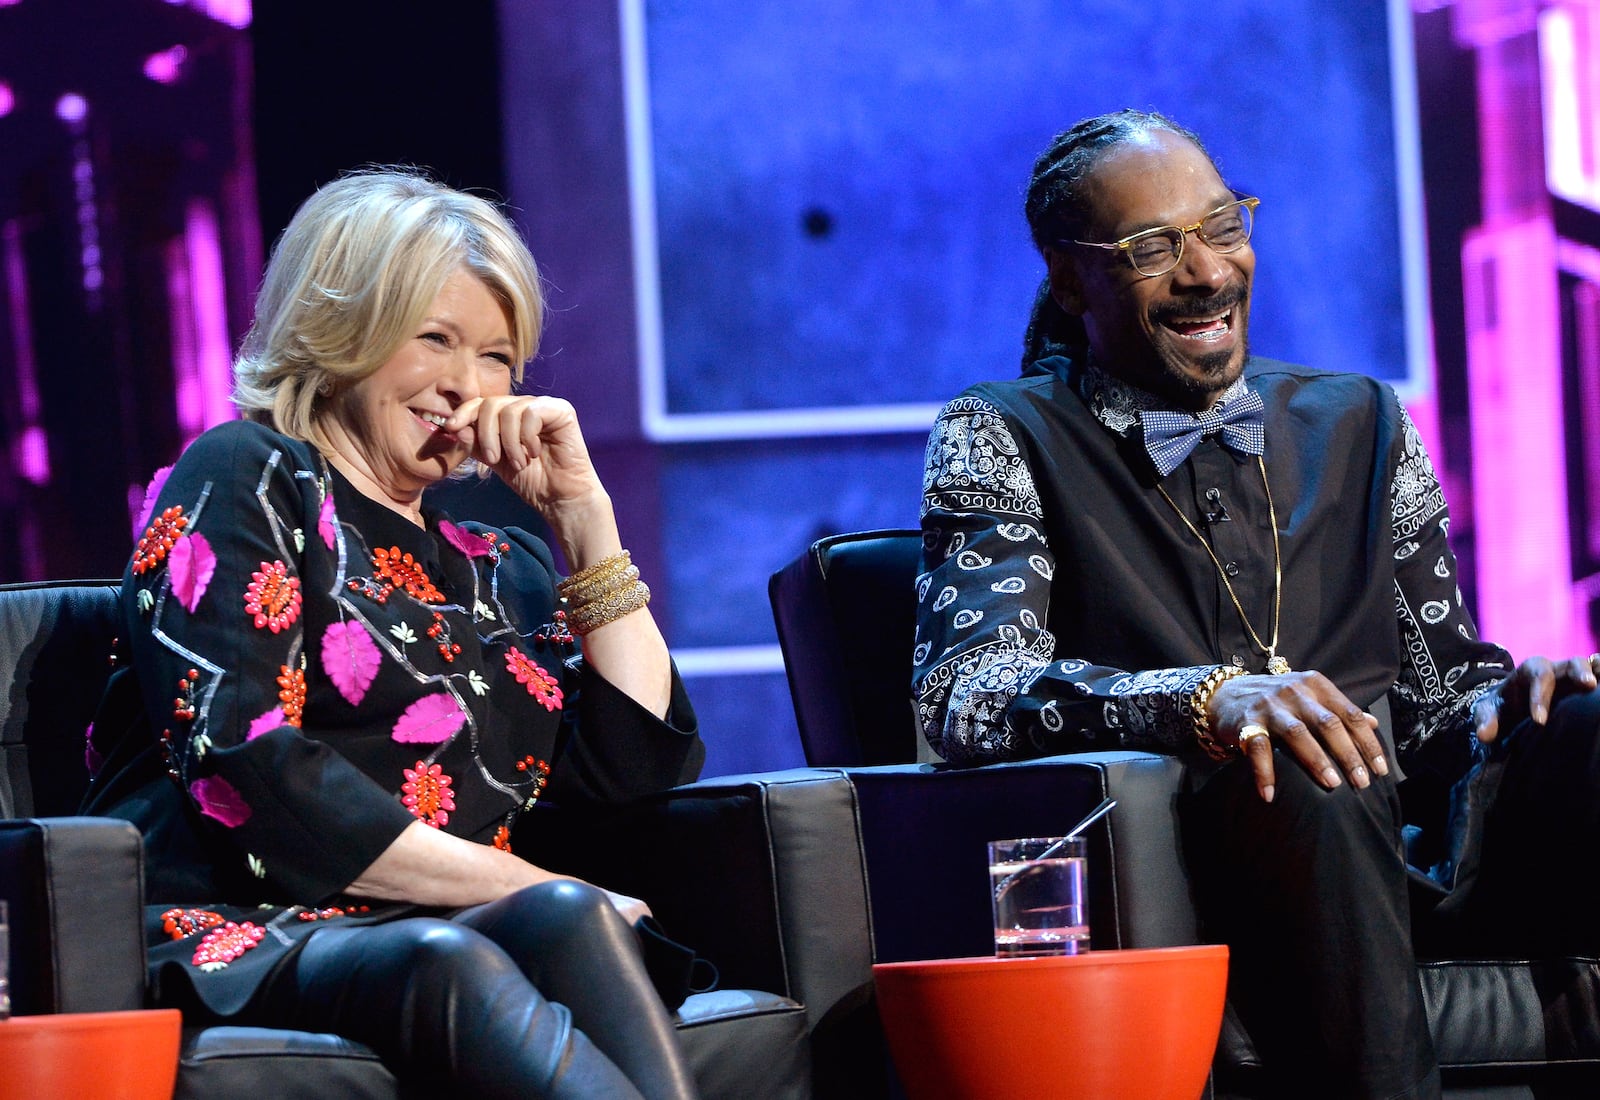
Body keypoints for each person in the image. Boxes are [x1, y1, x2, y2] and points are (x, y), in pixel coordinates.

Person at [912, 109, 1600, 1098]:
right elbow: (965, 691)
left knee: (1586, 723)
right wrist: (1206, 701)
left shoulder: (1361, 417)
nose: (1205, 271)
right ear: (1068, 279)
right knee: (1307, 764)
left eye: (1222, 226)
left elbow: (1445, 690)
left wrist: (1525, 697)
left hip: (1413, 846)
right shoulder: (1002, 432)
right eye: (1152, 249)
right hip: (1208, 863)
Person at [82, 169, 706, 1099]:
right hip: (241, 923)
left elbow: (633, 768)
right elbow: (244, 766)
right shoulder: (250, 474)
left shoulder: (500, 562)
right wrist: (516, 885)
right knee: (463, 953)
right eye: (435, 338)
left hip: (452, 928)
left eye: (496, 357)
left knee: (559, 918)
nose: (465, 384)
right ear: (342, 330)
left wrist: (585, 521)